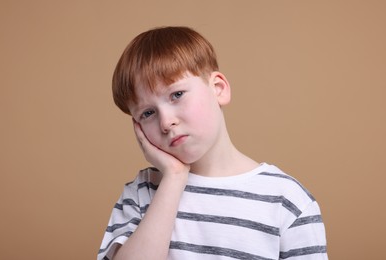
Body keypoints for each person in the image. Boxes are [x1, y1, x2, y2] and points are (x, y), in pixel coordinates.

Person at [98, 26, 328, 260]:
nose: (166, 122)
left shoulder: (287, 200)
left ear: (218, 89)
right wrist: (174, 178)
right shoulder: (141, 192)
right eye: (147, 113)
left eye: (176, 95)